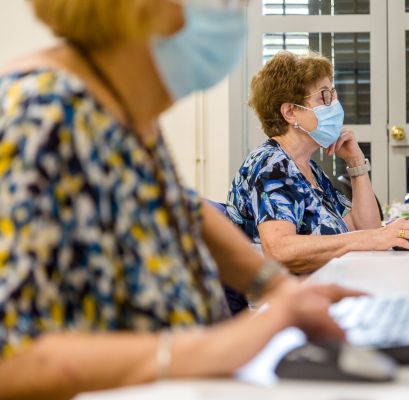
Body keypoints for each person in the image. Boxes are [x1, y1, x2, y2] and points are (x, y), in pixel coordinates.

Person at [0, 1, 361, 398]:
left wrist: (281, 291)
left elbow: (182, 211)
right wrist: (215, 347)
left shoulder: (123, 109)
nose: (228, 14)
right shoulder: (39, 116)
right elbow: (13, 361)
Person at [226, 51, 409, 273]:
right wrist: (366, 239)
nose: (335, 104)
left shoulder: (308, 169)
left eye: (333, 95)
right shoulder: (271, 164)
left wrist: (356, 163)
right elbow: (280, 250)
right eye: (324, 97)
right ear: (290, 112)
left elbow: (365, 227)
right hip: (287, 300)